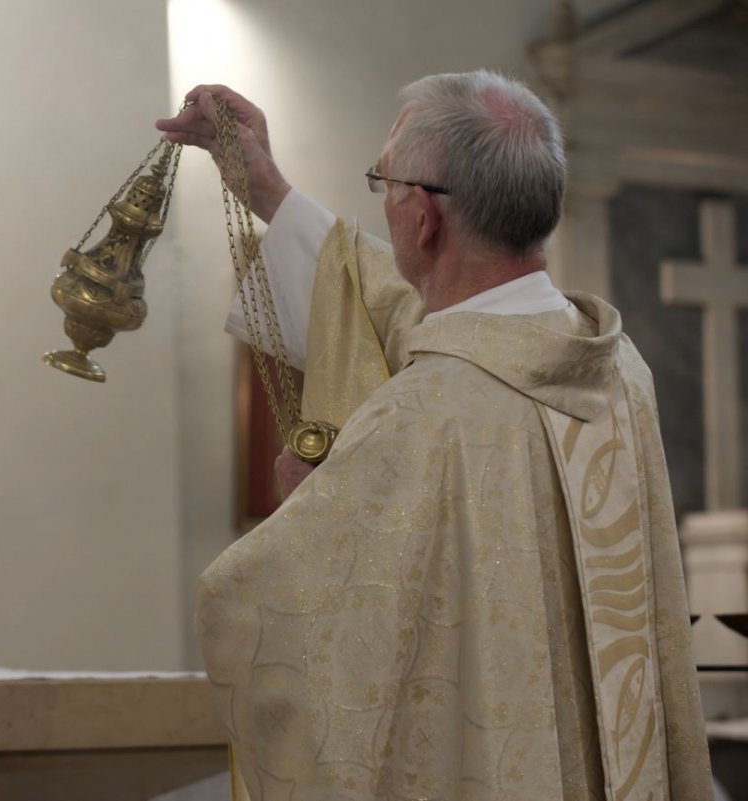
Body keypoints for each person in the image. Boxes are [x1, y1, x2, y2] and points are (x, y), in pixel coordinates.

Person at [156, 72, 713, 801]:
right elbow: (413, 311)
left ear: (421, 217)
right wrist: (267, 189)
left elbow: (257, 613)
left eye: (382, 183)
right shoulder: (617, 368)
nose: (384, 206)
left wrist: (313, 509)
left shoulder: (420, 414)